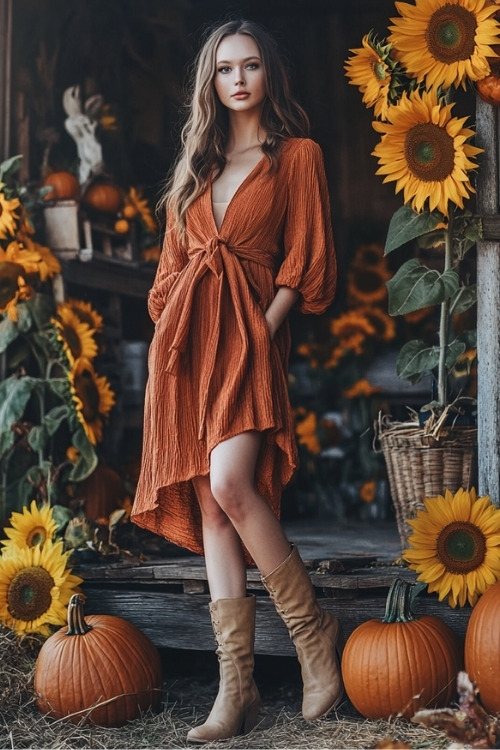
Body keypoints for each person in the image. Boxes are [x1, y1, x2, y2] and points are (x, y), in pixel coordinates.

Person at [131, 17, 342, 743]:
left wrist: (262, 332)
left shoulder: (298, 157)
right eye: (226, 69)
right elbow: (167, 280)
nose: (239, 79)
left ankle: (316, 640)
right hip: (188, 356)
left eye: (250, 65)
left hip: (250, 343)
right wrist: (172, 337)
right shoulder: (195, 167)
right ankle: (237, 689)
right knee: (215, 508)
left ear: (268, 75)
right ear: (211, 83)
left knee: (230, 484)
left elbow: (305, 264)